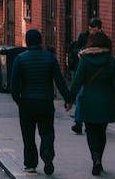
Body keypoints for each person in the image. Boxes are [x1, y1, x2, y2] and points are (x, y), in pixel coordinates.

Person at [9, 28, 71, 176]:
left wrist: (19, 100)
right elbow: (60, 81)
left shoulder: (20, 59)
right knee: (47, 132)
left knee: (28, 135)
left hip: (27, 103)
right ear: (40, 41)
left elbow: (13, 85)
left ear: (27, 42)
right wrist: (68, 99)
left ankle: (30, 164)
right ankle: (47, 152)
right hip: (45, 103)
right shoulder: (50, 58)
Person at [69, 31, 115, 176]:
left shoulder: (84, 60)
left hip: (88, 101)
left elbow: (76, 82)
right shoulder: (111, 61)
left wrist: (69, 99)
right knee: (101, 132)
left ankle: (95, 157)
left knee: (90, 131)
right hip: (106, 102)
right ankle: (99, 159)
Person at [67, 18, 105, 134]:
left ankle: (92, 123)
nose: (91, 32)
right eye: (90, 29)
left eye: (94, 30)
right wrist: (79, 52)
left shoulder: (103, 39)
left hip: (96, 72)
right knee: (81, 96)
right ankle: (78, 123)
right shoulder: (83, 36)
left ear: (99, 29)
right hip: (83, 70)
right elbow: (76, 48)